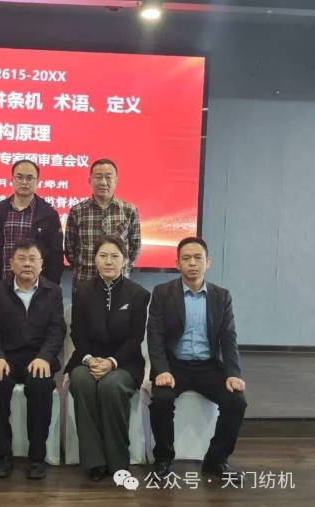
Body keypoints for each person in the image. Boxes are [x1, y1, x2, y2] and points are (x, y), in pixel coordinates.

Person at [148, 237, 247, 482]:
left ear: (208, 262)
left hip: (208, 367)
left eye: (198, 258)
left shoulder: (221, 296)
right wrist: (161, 369)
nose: (192, 263)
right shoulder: (162, 293)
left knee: (236, 401)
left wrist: (233, 373)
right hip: (174, 366)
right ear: (177, 263)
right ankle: (163, 459)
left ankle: (216, 460)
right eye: (186, 258)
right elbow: (155, 336)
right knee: (161, 400)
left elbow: (229, 339)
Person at [66, 235, 150, 481]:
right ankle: (94, 461)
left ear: (125, 260)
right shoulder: (82, 291)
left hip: (125, 362)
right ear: (95, 259)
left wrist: (112, 362)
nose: (109, 261)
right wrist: (90, 359)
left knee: (111, 386)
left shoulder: (138, 294)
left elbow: (135, 338)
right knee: (81, 381)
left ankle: (117, 460)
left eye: (115, 256)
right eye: (103, 256)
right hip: (88, 359)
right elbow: (77, 332)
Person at [0, 239, 66, 480]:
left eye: (32, 259)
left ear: (42, 264)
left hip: (38, 359)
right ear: (11, 263)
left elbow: (56, 332)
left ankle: (37, 457)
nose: (27, 264)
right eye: (21, 259)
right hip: (6, 358)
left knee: (40, 387)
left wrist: (44, 358)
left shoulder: (53, 292)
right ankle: (3, 456)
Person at [0, 159, 64, 290]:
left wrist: (49, 288)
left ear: (37, 181)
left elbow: (56, 256)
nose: (24, 182)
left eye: (30, 178)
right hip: (2, 287)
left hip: (37, 289)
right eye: (19, 177)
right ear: (12, 180)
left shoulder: (49, 215)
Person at [64, 158, 141, 288]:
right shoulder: (77, 211)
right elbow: (70, 248)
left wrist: (123, 267)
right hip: (84, 281)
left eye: (108, 177)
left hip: (119, 283)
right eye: (98, 177)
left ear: (116, 180)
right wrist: (83, 266)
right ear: (90, 180)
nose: (103, 182)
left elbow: (135, 247)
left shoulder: (129, 210)